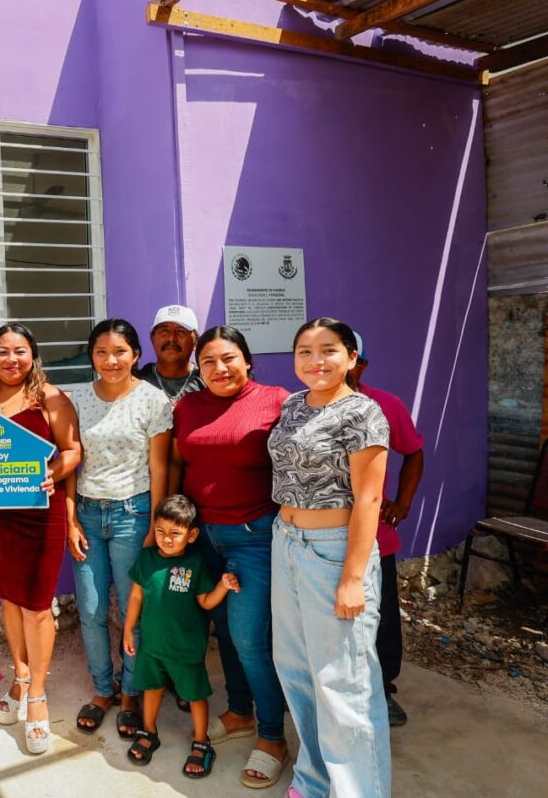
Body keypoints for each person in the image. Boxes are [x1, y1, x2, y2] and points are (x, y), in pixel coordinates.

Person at [268, 318, 390, 798]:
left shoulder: (363, 413)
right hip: (286, 542)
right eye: (305, 351)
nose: (315, 360)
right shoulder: (293, 405)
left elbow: (369, 500)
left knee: (344, 682)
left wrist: (353, 577)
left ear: (351, 357)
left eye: (328, 350)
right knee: (297, 668)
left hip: (333, 551)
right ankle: (315, 780)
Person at [0, 323, 82, 755]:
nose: (11, 359)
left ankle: (38, 696)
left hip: (39, 516)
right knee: (9, 598)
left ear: (33, 355)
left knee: (38, 606)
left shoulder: (51, 398)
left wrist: (52, 473)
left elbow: (72, 451)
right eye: (2, 352)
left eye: (20, 351)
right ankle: (20, 677)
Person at [171, 325, 291, 788]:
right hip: (202, 538)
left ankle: (273, 736)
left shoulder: (276, 401)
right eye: (208, 362)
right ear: (198, 368)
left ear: (247, 360)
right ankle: (240, 711)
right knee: (222, 630)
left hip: (253, 537)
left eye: (228, 358)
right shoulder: (188, 407)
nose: (219, 369)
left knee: (250, 639)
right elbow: (179, 463)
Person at [67, 319, 172, 741]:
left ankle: (130, 692)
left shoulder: (153, 400)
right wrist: (71, 519)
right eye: (101, 352)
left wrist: (154, 524)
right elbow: (71, 460)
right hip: (88, 514)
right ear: (91, 356)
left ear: (135, 355)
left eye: (120, 352)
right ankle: (102, 688)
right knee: (91, 609)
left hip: (134, 513)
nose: (111, 361)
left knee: (134, 611)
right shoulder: (78, 399)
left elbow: (160, 466)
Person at [122, 494, 240, 779]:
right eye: (160, 531)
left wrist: (223, 586)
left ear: (192, 535)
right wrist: (128, 629)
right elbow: (136, 596)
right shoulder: (147, 558)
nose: (166, 538)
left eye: (175, 533)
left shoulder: (195, 564)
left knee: (195, 695)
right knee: (152, 688)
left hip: (186, 649)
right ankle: (149, 732)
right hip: (152, 646)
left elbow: (206, 602)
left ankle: (201, 742)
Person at [349, 331, 425, 727]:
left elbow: (413, 452)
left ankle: (381, 689)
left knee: (380, 621)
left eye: (349, 356)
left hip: (375, 539)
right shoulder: (301, 407)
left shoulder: (385, 405)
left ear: (361, 363)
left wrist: (403, 502)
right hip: (318, 537)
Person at [136, 305, 205, 405]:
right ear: (152, 339)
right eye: (164, 332)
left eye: (181, 332)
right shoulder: (137, 381)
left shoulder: (206, 382)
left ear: (196, 342)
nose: (171, 338)